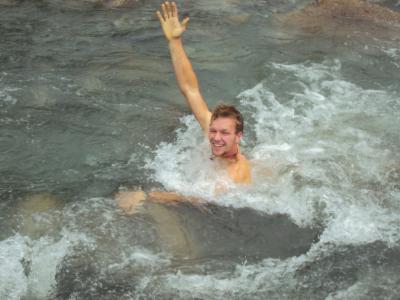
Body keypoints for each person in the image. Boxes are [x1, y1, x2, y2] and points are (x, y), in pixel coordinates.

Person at [116, 1, 251, 214]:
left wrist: (150, 195)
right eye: (213, 130)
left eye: (224, 133)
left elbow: (199, 199)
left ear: (238, 136)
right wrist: (175, 41)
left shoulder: (236, 174)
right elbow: (190, 89)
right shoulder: (213, 132)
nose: (215, 137)